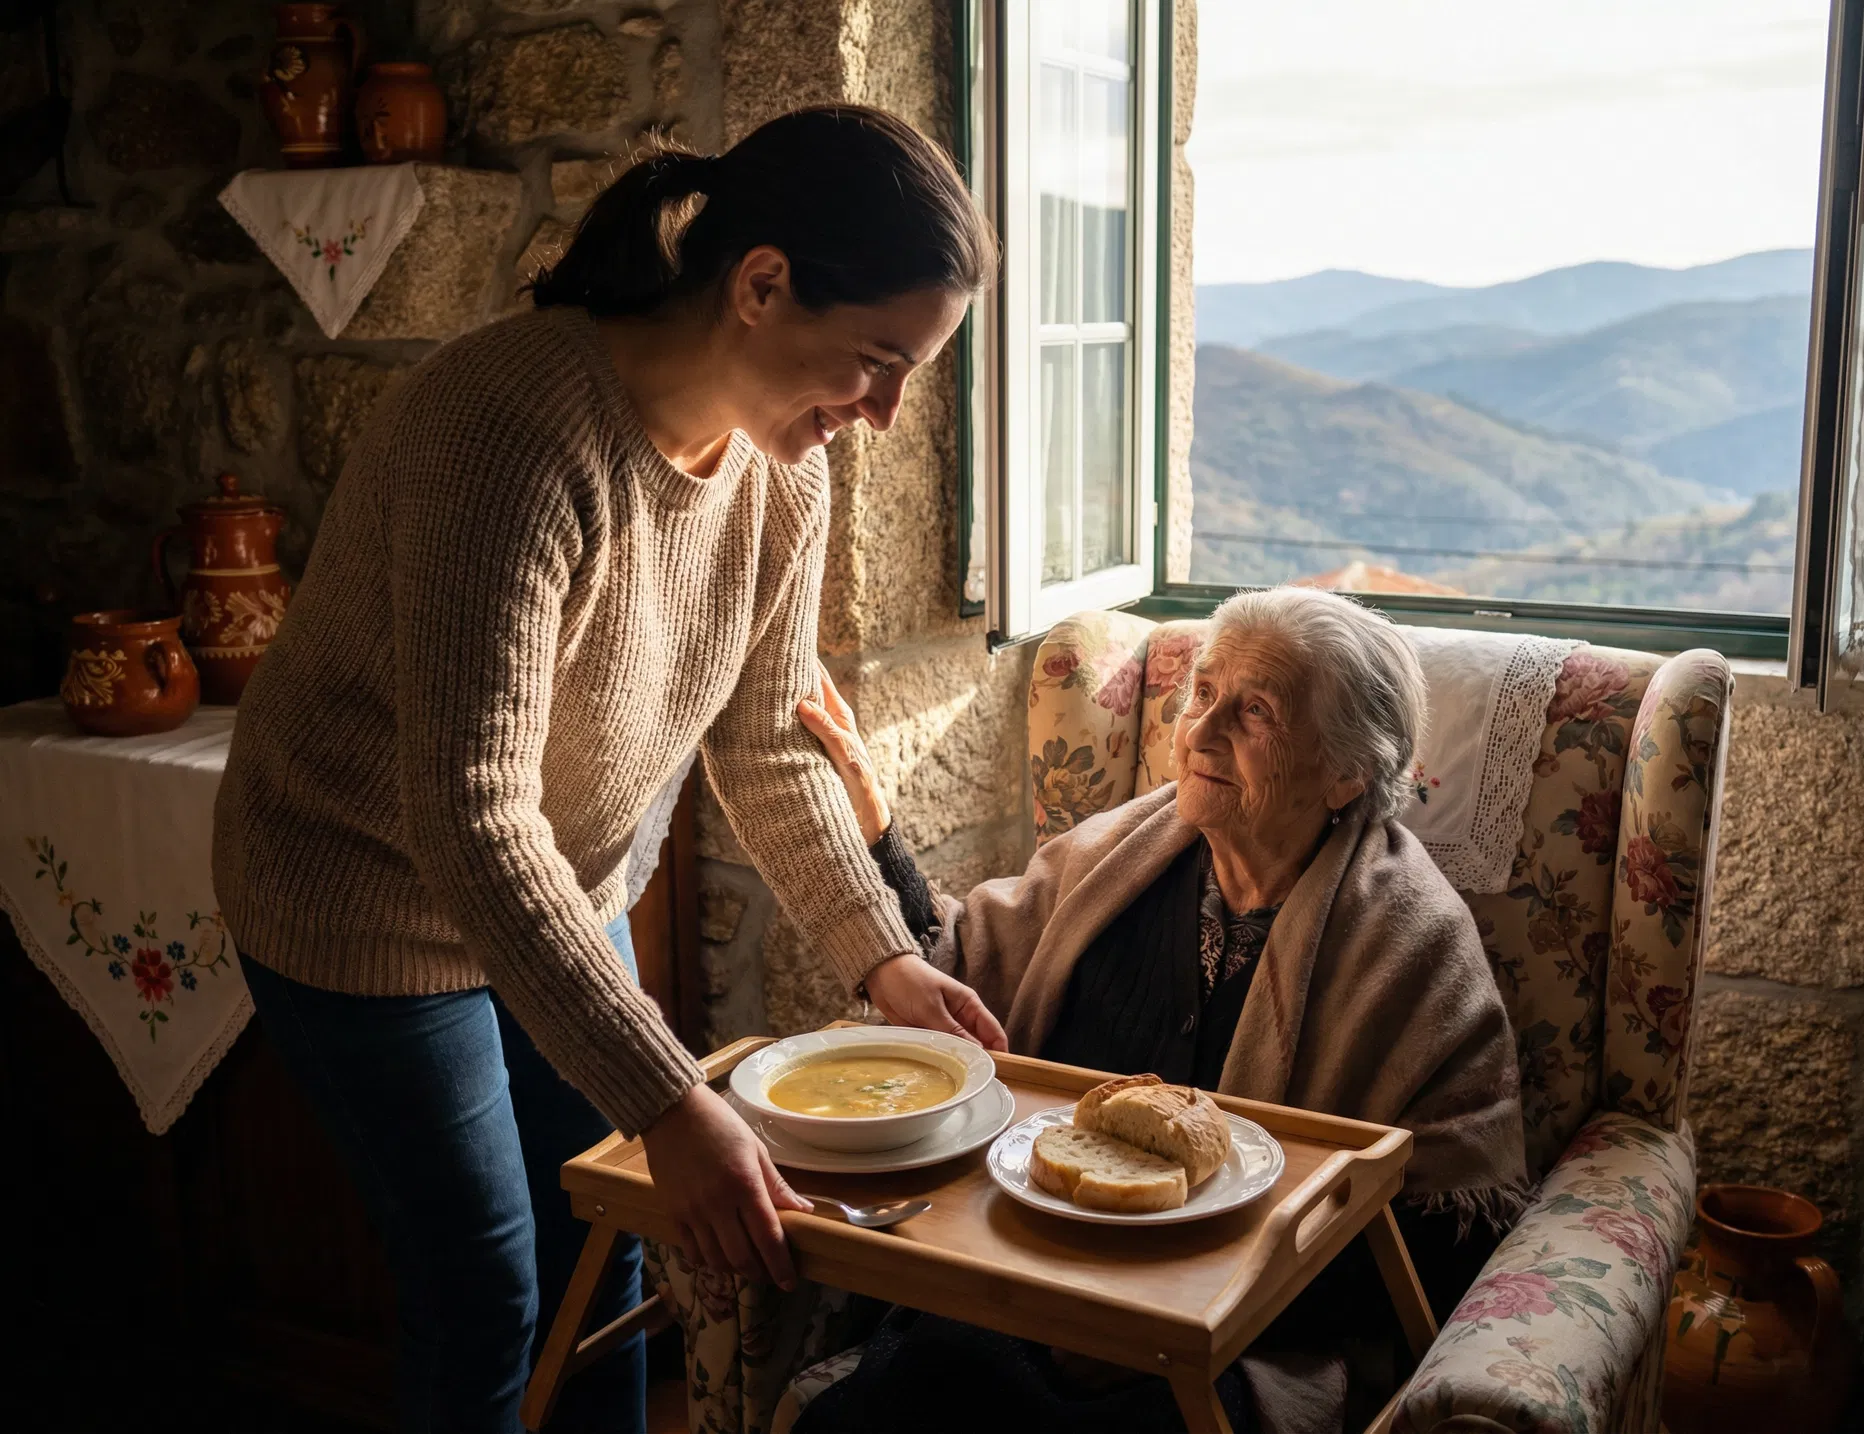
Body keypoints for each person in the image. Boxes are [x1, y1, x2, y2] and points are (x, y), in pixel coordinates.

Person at [211, 105, 1006, 1434]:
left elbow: (766, 738)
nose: (884, 413)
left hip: (553, 900)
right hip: (362, 904)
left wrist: (884, 957)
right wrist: (671, 1094)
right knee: (485, 1291)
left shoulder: (779, 480)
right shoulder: (510, 429)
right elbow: (470, 819)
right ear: (759, 284)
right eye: (876, 360)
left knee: (615, 1249)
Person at [789, 586, 1526, 1434]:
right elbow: (956, 979)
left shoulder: (1411, 941)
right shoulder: (1117, 854)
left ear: (1347, 770)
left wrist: (1165, 1311)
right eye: (1202, 695)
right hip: (1016, 1283)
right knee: (926, 1382)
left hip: (1233, 1346)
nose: (1201, 733)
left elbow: (1438, 1240)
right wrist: (875, 835)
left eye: (1255, 712)